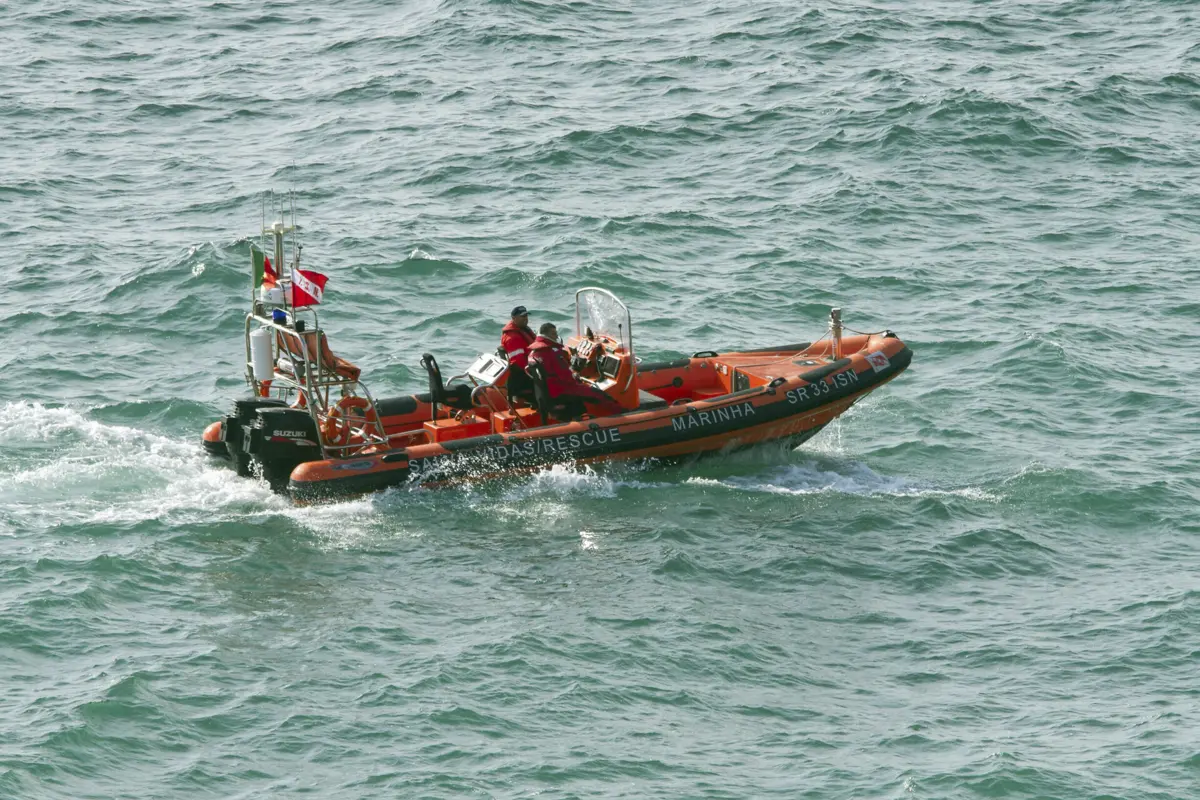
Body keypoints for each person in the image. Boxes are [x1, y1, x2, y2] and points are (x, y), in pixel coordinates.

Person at [527, 322, 623, 419]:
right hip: (561, 389)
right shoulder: (551, 352)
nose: (556, 336)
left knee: (585, 389)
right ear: (545, 335)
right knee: (598, 394)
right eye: (553, 333)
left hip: (550, 391)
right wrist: (575, 376)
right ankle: (623, 415)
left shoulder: (534, 352)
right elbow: (566, 377)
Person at [500, 305, 537, 406]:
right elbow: (519, 362)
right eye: (522, 316)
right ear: (514, 318)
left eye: (526, 316)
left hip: (528, 370)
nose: (526, 318)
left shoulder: (522, 330)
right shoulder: (513, 338)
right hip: (523, 377)